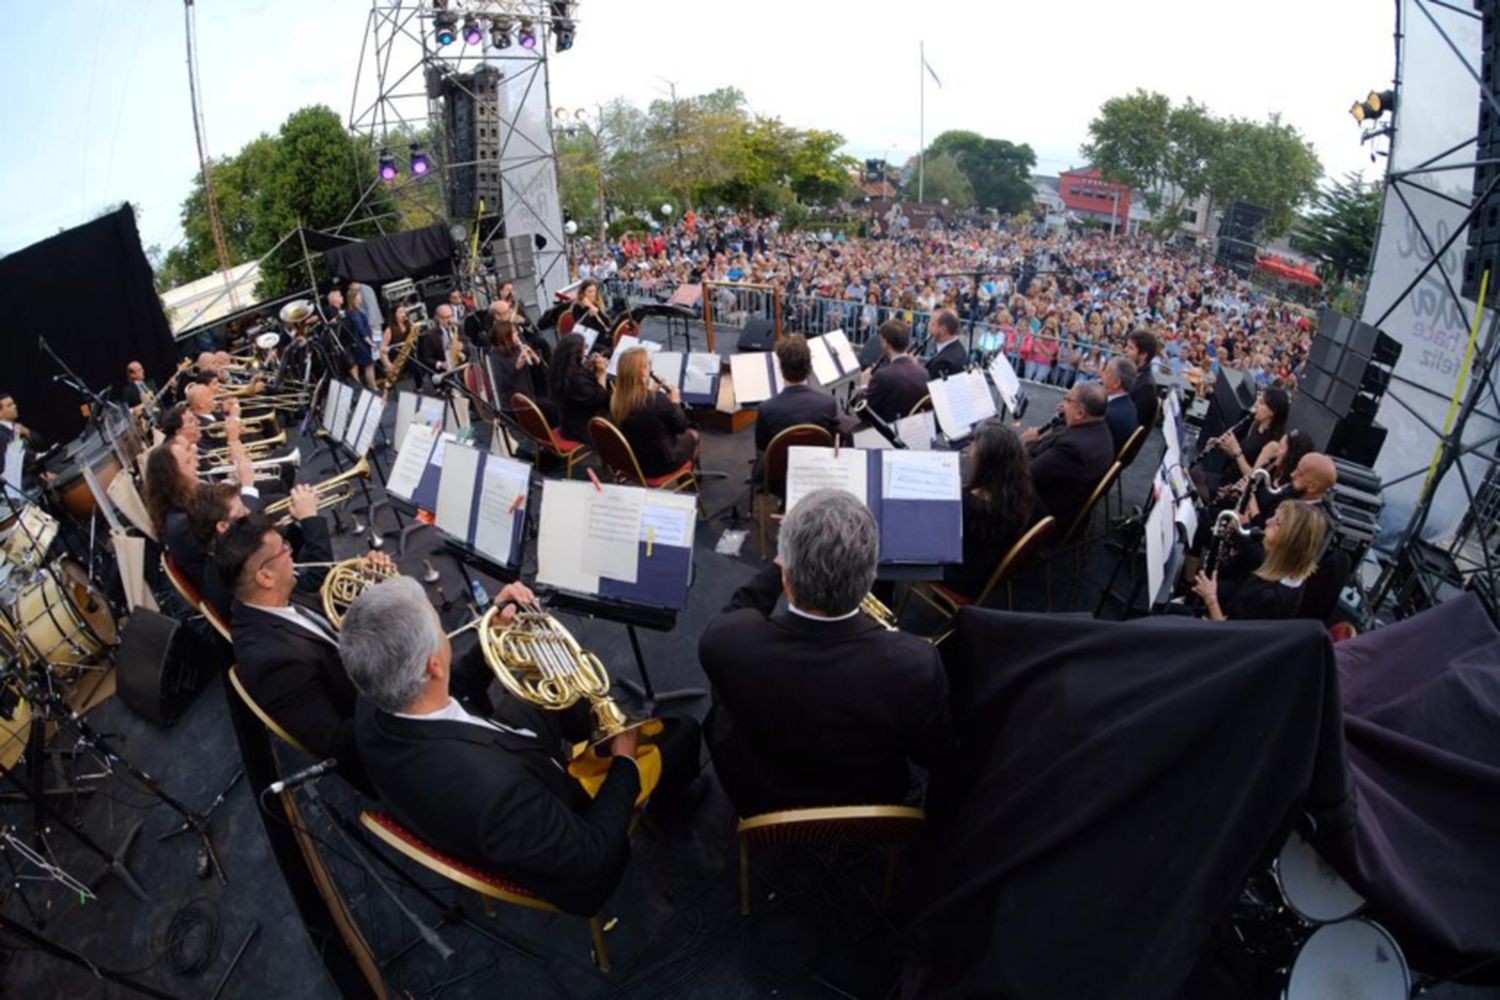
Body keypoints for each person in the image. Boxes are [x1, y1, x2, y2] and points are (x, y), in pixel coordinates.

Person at [340, 575, 702, 916]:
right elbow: (593, 858)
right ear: (434, 665)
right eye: (440, 627)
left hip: (487, 751)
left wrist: (489, 638)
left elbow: (456, 689)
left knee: (563, 698)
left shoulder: (374, 691)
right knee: (682, 732)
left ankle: (600, 730)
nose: (447, 632)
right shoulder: (497, 794)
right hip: (560, 826)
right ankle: (668, 802)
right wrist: (624, 761)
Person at [699, 488, 952, 816]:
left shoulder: (726, 642)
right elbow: (933, 752)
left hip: (759, 795)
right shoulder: (916, 663)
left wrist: (779, 566)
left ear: (787, 581)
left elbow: (737, 610)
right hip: (867, 801)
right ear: (869, 579)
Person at [213, 514, 396, 793]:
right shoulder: (272, 662)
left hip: (369, 682)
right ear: (265, 576)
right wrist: (387, 663)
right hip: (386, 742)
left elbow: (330, 624)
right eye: (285, 549)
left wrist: (372, 587)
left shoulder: (268, 600)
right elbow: (336, 744)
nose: (292, 553)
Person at [189, 482, 326, 617]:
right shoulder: (245, 566)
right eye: (242, 511)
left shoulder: (229, 554)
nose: (249, 511)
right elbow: (317, 581)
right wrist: (310, 518)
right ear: (223, 527)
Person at [944, 420, 1039, 598]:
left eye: (973, 447)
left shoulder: (972, 505)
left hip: (961, 575)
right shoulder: (1019, 488)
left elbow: (941, 535)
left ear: (986, 461)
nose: (969, 451)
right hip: (986, 563)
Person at [1193, 500, 1327, 621]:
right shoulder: (1290, 576)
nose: (1268, 521)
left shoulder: (1269, 597)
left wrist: (1210, 597)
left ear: (1291, 542)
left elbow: (1230, 638)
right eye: (1274, 516)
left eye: (1277, 524)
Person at [1018, 383, 1114, 531]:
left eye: (1068, 400)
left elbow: (1026, 475)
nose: (1063, 404)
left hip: (1041, 516)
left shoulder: (1072, 449)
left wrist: (1026, 444)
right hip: (1063, 503)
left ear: (1080, 413)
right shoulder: (1101, 430)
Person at [752, 334, 839, 483]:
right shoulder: (829, 404)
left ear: (781, 367)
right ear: (809, 365)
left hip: (779, 478)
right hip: (817, 472)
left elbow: (762, 447)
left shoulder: (766, 408)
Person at [611, 347, 699, 478]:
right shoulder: (657, 400)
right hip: (658, 466)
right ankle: (689, 480)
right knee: (693, 434)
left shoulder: (617, 398)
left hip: (631, 461)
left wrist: (652, 392)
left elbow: (644, 412)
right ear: (640, 374)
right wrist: (675, 402)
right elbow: (680, 427)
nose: (650, 370)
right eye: (647, 366)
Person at [1210, 387, 1289, 484]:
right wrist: (1224, 447)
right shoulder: (1254, 425)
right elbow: (1241, 457)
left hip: (1235, 487)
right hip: (1227, 475)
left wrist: (1237, 451)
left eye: (1261, 403)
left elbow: (1252, 478)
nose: (1256, 405)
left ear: (1272, 411)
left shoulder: (1272, 444)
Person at [858, 319, 929, 424]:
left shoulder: (882, 376)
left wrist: (864, 386)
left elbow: (863, 413)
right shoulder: (924, 372)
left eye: (881, 340)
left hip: (885, 432)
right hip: (913, 429)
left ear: (886, 343)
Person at [549, 333, 609, 443]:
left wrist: (586, 369)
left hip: (568, 419)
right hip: (582, 427)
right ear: (578, 353)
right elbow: (600, 398)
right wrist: (602, 373)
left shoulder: (560, 366)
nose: (586, 351)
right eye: (584, 347)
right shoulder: (577, 380)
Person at [0, 392, 51, 490]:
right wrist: (36, 460)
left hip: (38, 470)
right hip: (24, 481)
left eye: (14, 403)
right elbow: (14, 458)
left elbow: (41, 443)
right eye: (9, 405)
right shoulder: (2, 434)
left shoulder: (16, 426)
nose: (14, 406)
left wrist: (27, 432)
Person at [417, 304, 466, 387]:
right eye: (445, 317)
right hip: (444, 372)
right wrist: (441, 364)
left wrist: (462, 346)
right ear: (438, 318)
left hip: (462, 367)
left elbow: (469, 344)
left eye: (451, 316)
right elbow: (426, 358)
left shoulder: (458, 328)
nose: (450, 320)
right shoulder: (430, 335)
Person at [1101, 357, 1141, 453]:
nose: (1101, 374)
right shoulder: (1128, 406)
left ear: (1116, 383)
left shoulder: (1109, 415)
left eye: (1106, 372)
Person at [1124, 329, 1160, 429]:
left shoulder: (1146, 387)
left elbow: (1132, 422)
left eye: (1131, 348)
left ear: (1143, 355)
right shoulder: (1131, 372)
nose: (1125, 350)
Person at [347, 284, 379, 391]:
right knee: (369, 365)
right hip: (363, 343)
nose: (361, 298)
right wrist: (371, 343)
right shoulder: (354, 313)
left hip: (364, 342)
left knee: (370, 365)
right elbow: (361, 330)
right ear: (354, 299)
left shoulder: (357, 311)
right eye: (359, 296)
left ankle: (372, 385)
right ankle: (373, 386)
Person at [925, 308, 967, 380]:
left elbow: (926, 387)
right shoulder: (959, 347)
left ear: (943, 330)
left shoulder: (943, 362)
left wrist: (913, 368)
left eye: (932, 324)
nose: (929, 326)